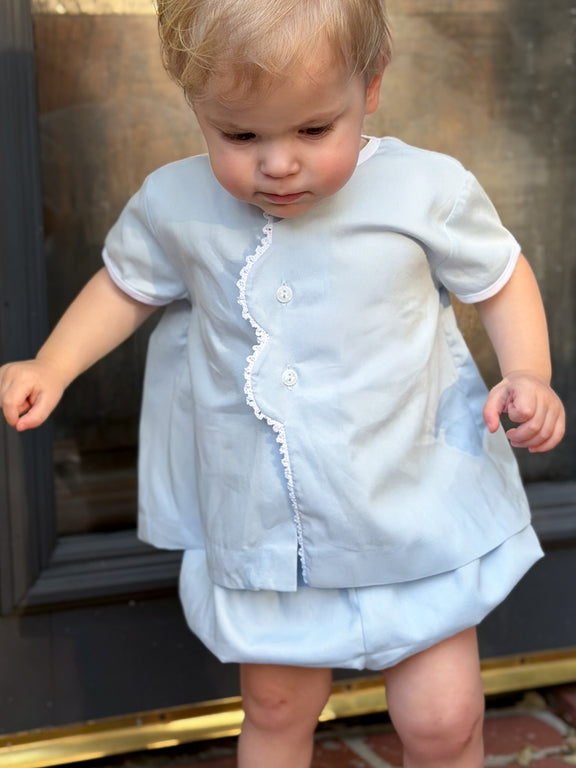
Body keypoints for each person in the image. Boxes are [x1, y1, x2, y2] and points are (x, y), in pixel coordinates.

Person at [0, 0, 565, 765]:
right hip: (271, 526)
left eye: (312, 129)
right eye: (240, 136)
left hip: (409, 501)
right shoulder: (175, 204)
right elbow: (124, 287)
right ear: (196, 104)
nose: (278, 164)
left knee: (443, 718)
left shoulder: (423, 189)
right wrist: (53, 363)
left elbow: (499, 277)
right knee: (273, 706)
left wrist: (529, 373)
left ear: (370, 84)